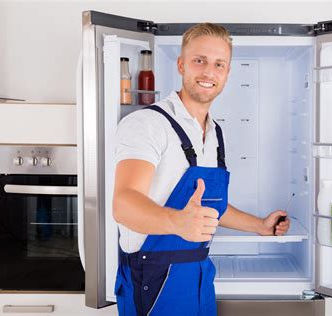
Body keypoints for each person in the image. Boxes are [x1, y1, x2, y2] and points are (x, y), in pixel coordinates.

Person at [112, 22, 291, 316]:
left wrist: (260, 226)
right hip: (154, 279)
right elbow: (124, 203)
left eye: (219, 64)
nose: (209, 72)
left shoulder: (214, 132)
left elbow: (208, 208)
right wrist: (177, 222)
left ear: (227, 74)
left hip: (199, 276)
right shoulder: (148, 124)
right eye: (200, 61)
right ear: (181, 65)